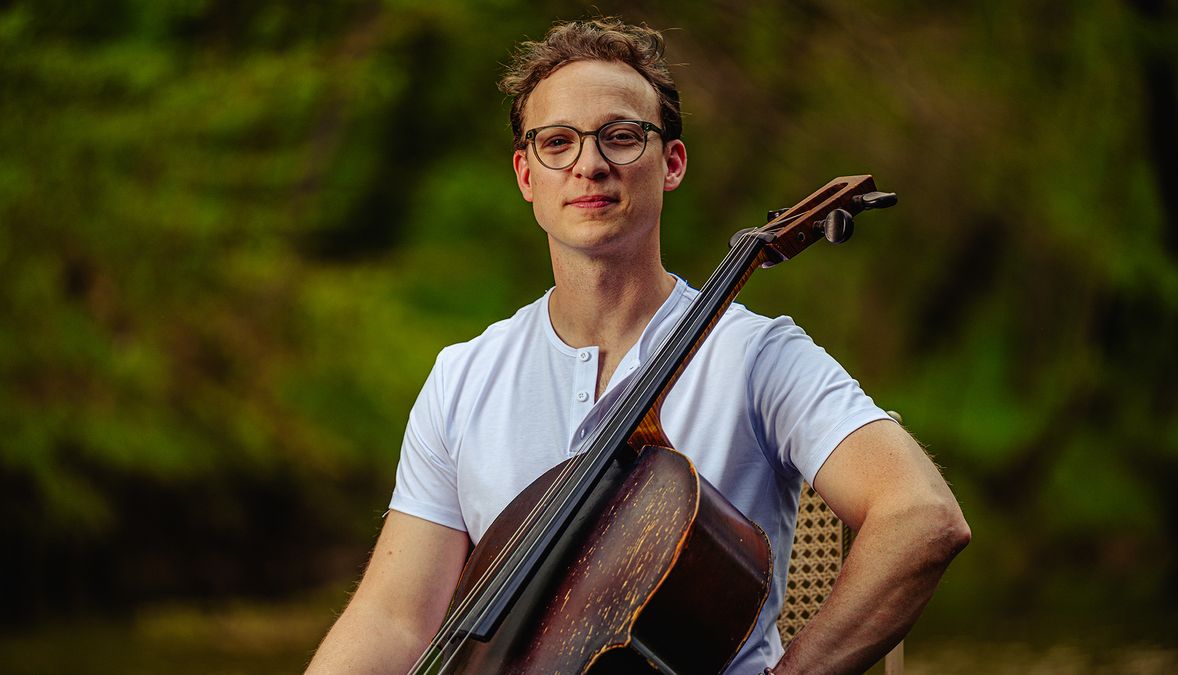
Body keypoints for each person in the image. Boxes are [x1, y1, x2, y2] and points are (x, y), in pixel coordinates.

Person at [307, 17, 970, 675]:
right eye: (557, 142)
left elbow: (921, 516)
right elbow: (394, 619)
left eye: (621, 137)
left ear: (671, 162)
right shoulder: (464, 376)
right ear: (525, 175)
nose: (589, 164)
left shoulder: (758, 356)